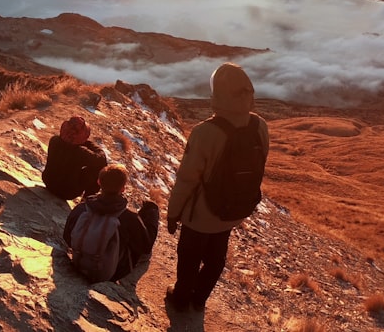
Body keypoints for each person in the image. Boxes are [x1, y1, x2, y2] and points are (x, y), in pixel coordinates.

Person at [165, 62, 270, 314]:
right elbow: (261, 163)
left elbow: (188, 178)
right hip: (235, 209)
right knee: (216, 257)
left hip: (201, 213)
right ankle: (199, 299)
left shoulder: (205, 132)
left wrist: (173, 212)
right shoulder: (259, 126)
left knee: (189, 256)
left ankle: (181, 299)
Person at [64, 163, 159, 282]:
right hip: (112, 272)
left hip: (78, 261)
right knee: (150, 211)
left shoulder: (82, 208)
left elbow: (67, 235)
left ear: (99, 182)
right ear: (123, 188)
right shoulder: (128, 217)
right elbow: (145, 247)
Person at [42, 115, 108, 200]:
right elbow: (101, 158)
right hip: (66, 192)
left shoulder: (54, 140)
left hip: (48, 181)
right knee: (99, 168)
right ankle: (87, 201)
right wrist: (86, 143)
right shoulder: (80, 152)